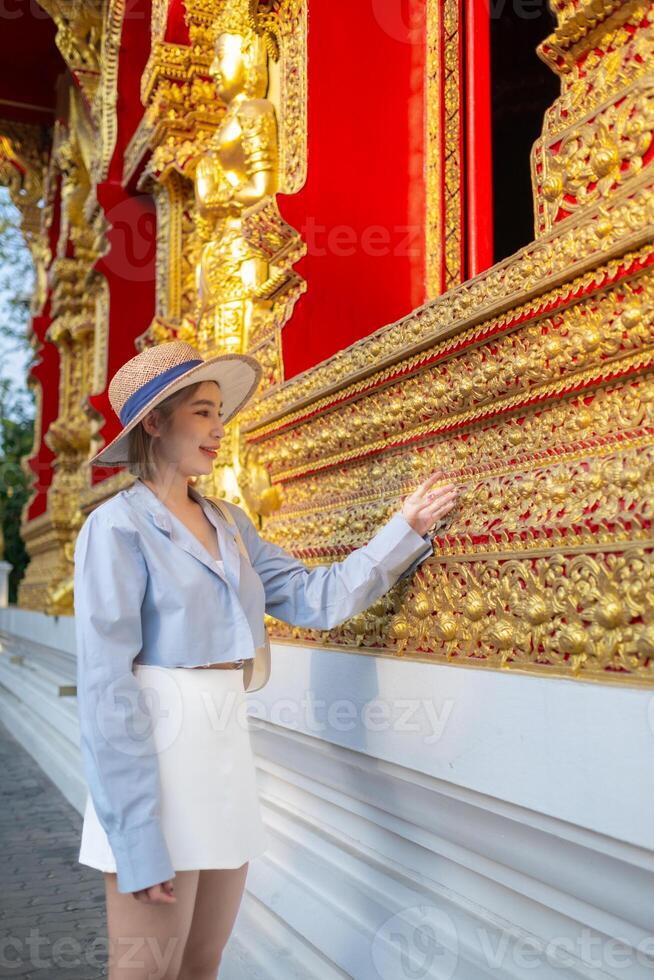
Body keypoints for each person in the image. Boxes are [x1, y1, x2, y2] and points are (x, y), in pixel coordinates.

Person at [73, 340, 460, 979]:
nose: (219, 428)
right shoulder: (115, 528)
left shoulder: (229, 523)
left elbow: (316, 596)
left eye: (219, 412)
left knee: (201, 963)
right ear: (154, 423)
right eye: (202, 412)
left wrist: (405, 531)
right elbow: (105, 686)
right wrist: (136, 837)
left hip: (223, 748)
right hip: (153, 754)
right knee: (147, 970)